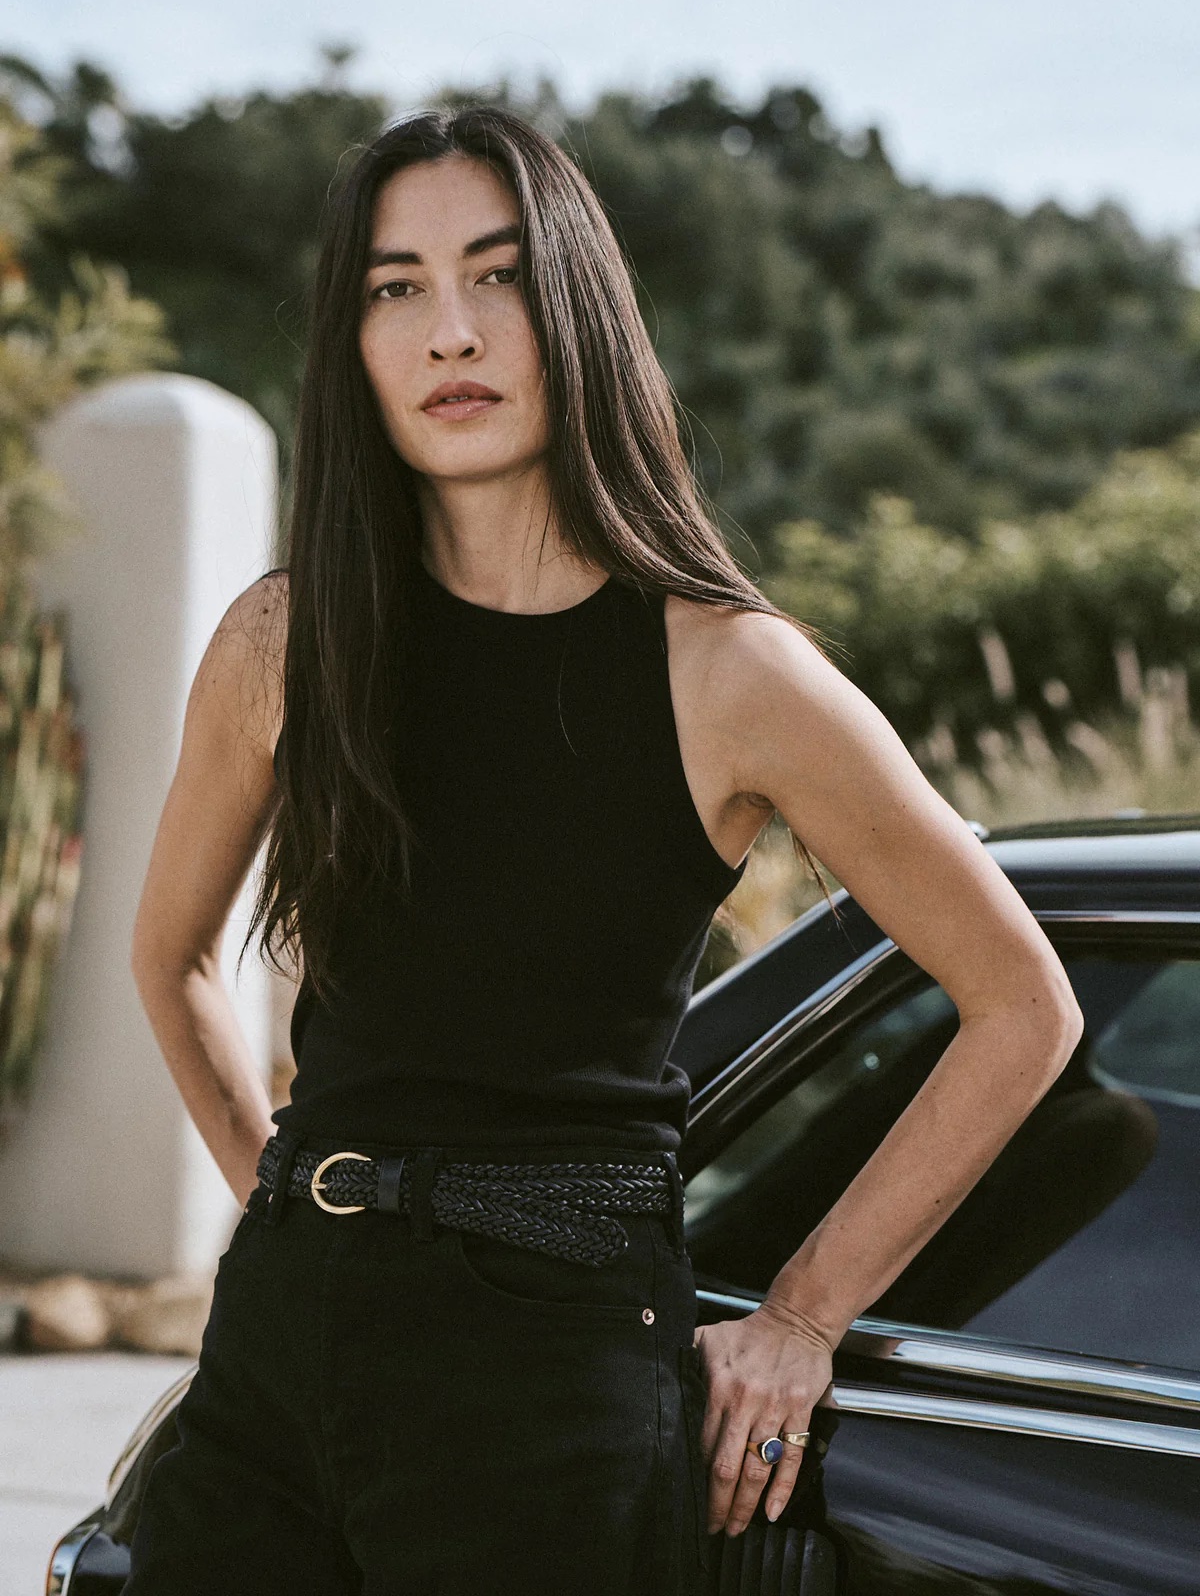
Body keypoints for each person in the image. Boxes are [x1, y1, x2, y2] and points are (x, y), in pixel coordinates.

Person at [123, 103, 1084, 1594]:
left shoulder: (730, 674)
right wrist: (278, 1206)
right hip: (277, 1360)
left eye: (495, 275)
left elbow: (1023, 1004)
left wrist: (805, 1315)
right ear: (354, 342)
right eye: (396, 287)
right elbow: (169, 956)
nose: (450, 331)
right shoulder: (291, 640)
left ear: (575, 306)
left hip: (554, 1377)